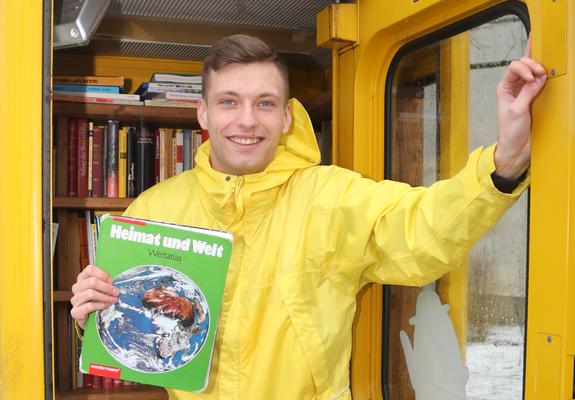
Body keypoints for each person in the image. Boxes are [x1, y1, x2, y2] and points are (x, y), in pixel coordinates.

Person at [70, 34, 547, 399]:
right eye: (229, 102)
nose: (247, 120)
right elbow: (125, 328)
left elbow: (423, 229)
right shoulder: (154, 210)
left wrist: (503, 162)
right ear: (203, 113)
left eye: (265, 103)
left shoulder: (332, 196)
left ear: (286, 118)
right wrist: (90, 312)